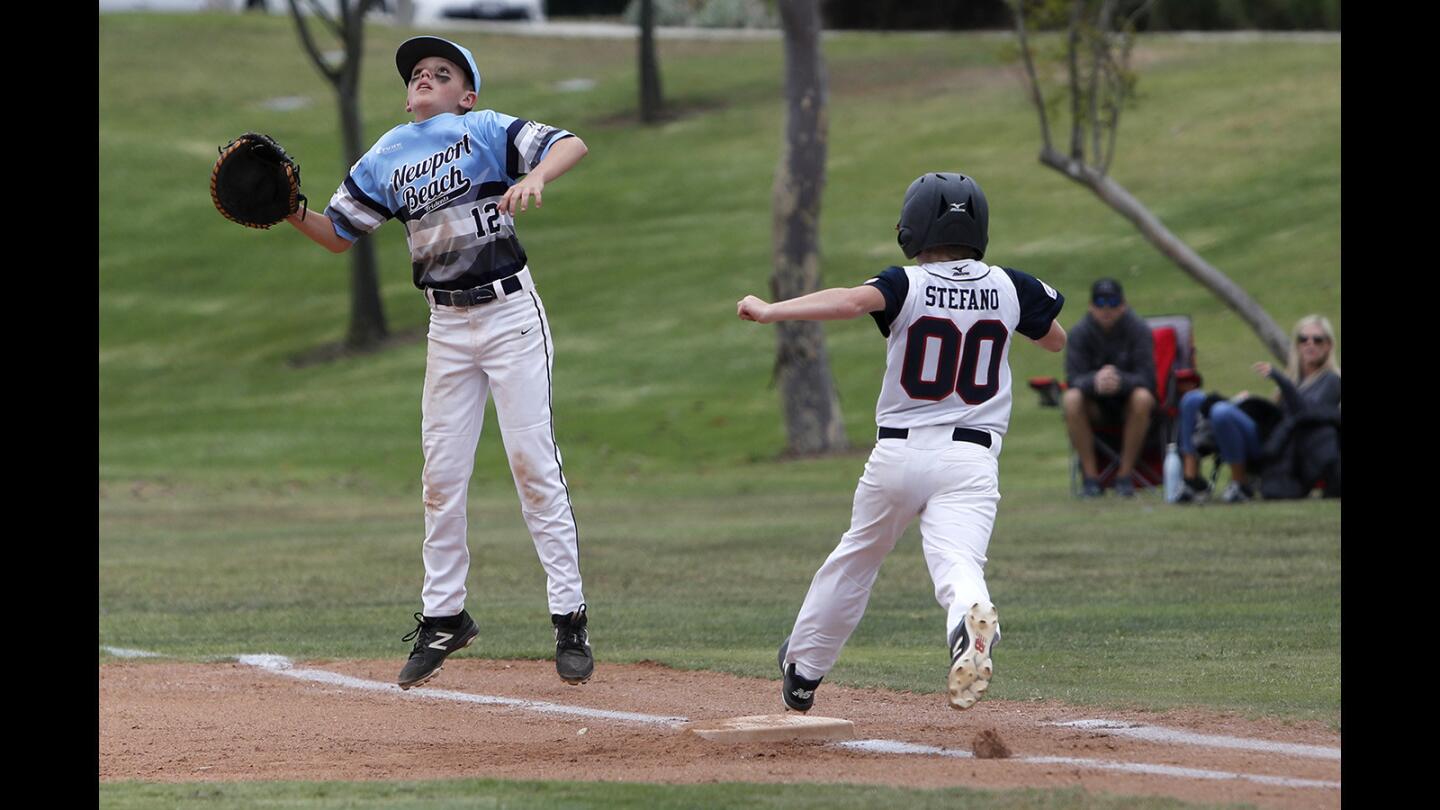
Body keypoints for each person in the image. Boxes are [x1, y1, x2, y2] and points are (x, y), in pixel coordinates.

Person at [284, 36, 594, 688]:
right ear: (407, 94)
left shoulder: (481, 129)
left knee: (533, 465)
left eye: (441, 72)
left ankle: (569, 617)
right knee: (441, 477)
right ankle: (444, 616)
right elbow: (338, 235)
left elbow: (571, 143)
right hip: (447, 326)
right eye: (417, 73)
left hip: (511, 315)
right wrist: (289, 211)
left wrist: (535, 174)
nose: (425, 77)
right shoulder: (387, 155)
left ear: (466, 93)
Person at [737, 172, 1066, 713]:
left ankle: (804, 670)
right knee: (959, 563)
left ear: (914, 227)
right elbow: (1056, 341)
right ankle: (969, 619)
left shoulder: (906, 283)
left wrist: (772, 310)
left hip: (899, 452)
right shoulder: (1013, 285)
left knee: (857, 558)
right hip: (971, 457)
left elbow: (847, 302)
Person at [1176, 314, 1341, 502]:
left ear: (1328, 345)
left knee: (1221, 411)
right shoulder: (1295, 378)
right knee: (1193, 399)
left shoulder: (1331, 380)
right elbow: (1277, 415)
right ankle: (1191, 479)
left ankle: (1240, 484)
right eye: (1303, 339)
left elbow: (1303, 413)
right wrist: (1247, 403)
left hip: (1282, 452)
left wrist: (1279, 379)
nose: (1309, 344)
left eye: (1317, 340)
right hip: (1269, 437)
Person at [1062, 279, 1156, 497]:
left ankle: (1125, 476)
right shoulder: (1078, 334)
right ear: (1090, 305)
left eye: (1112, 302)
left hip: (1130, 406)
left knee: (1143, 397)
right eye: (1100, 302)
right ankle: (1091, 478)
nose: (1106, 309)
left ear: (1123, 305)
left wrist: (1120, 381)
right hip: (1094, 407)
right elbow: (1073, 379)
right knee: (1070, 398)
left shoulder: (1139, 330)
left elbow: (1148, 379)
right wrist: (1095, 381)